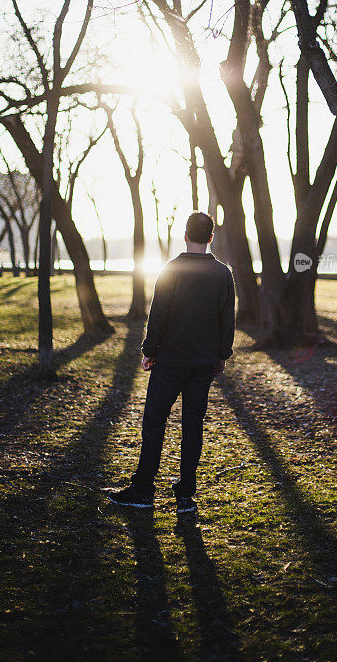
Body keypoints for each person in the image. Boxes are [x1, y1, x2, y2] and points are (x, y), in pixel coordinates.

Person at [107, 211, 235, 514]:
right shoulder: (222, 273)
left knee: (154, 423)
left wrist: (149, 350)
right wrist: (221, 355)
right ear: (211, 237)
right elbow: (226, 318)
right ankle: (185, 496)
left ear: (186, 236)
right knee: (193, 426)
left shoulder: (171, 269)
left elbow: (159, 314)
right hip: (203, 363)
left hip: (170, 362)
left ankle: (143, 490)